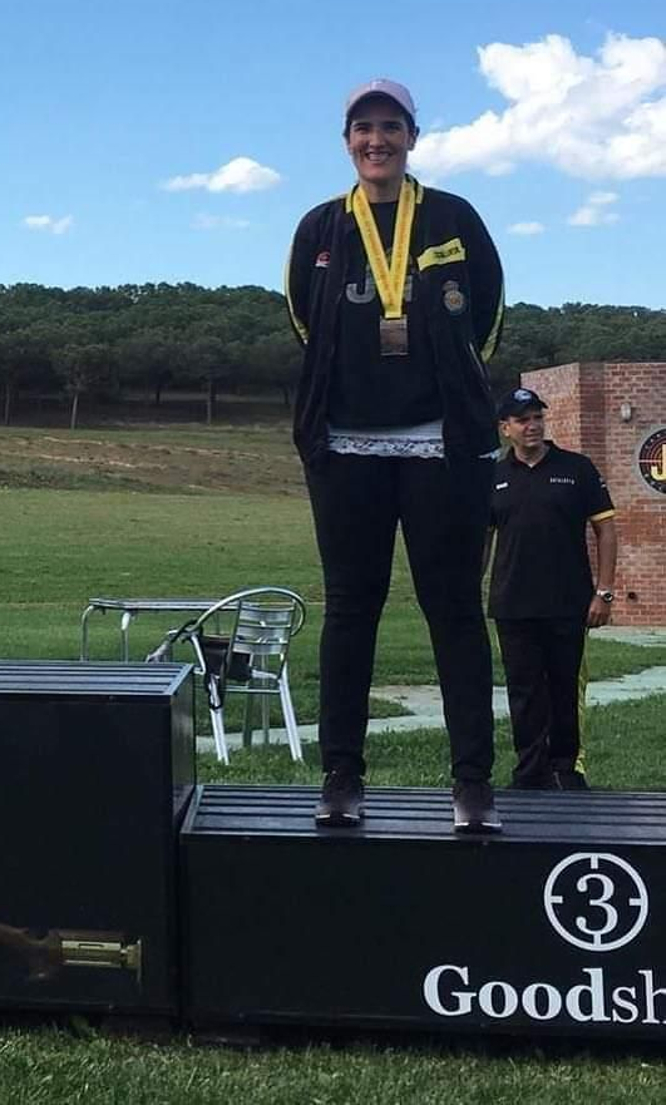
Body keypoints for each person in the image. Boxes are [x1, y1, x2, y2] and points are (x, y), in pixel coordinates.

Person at [286, 79, 505, 833]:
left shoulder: (451, 216)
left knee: (453, 611)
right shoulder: (320, 225)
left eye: (390, 126)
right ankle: (341, 776)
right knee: (351, 608)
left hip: (441, 444)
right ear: (347, 140)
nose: (375, 139)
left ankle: (472, 782)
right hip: (346, 445)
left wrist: (445, 382)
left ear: (412, 136)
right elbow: (302, 318)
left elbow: (489, 308)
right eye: (363, 128)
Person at [486, 387, 617, 790]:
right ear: (505, 428)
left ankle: (566, 770)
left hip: (568, 603)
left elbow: (606, 530)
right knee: (524, 694)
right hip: (513, 604)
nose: (533, 426)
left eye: (537, 417)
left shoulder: (576, 469)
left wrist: (604, 592)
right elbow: (482, 539)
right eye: (523, 420)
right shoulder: (494, 476)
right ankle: (530, 772)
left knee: (564, 690)